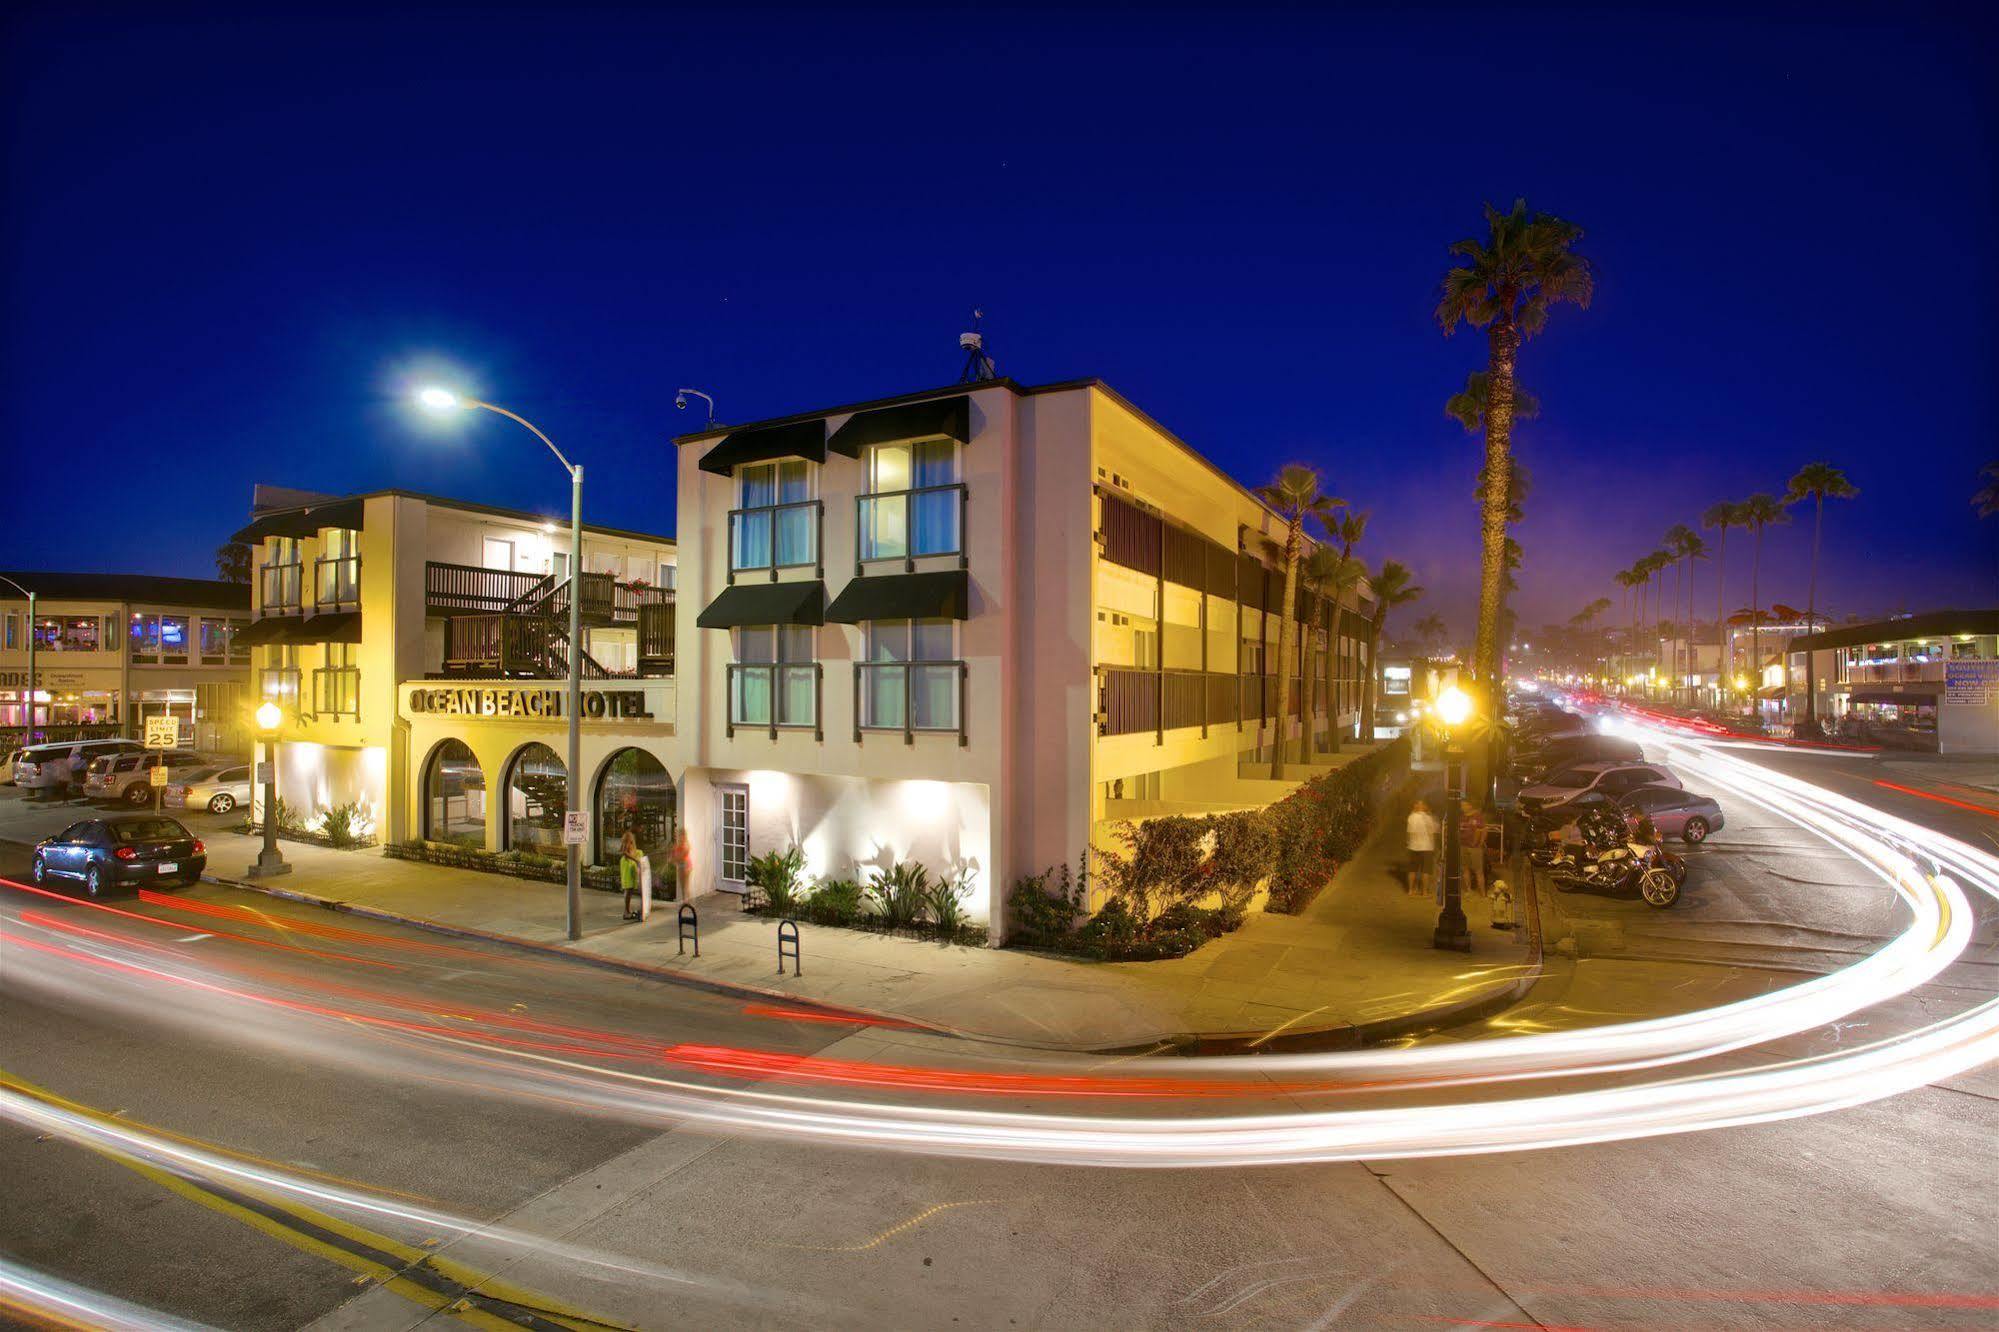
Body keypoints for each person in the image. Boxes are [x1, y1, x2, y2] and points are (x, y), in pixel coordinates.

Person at [1405, 799, 1439, 898]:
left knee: (1412, 870)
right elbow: (1434, 831)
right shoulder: (1428, 818)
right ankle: (1424, 892)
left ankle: (1411, 890)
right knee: (1425, 871)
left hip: (1413, 846)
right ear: (1424, 806)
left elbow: (1409, 832)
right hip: (1426, 847)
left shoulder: (1411, 817)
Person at [1459, 807, 1488, 897]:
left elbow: (1483, 830)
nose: (1462, 805)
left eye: (1465, 803)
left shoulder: (1477, 816)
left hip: (1475, 848)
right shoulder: (1462, 816)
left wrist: (1480, 843)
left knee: (1478, 870)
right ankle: (1468, 890)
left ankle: (1482, 893)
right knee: (1465, 868)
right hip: (1463, 846)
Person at [619, 831, 644, 920]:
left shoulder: (636, 850)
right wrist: (636, 860)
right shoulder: (626, 849)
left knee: (630, 889)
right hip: (627, 868)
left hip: (631, 869)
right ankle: (626, 911)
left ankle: (628, 910)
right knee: (628, 889)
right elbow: (624, 853)